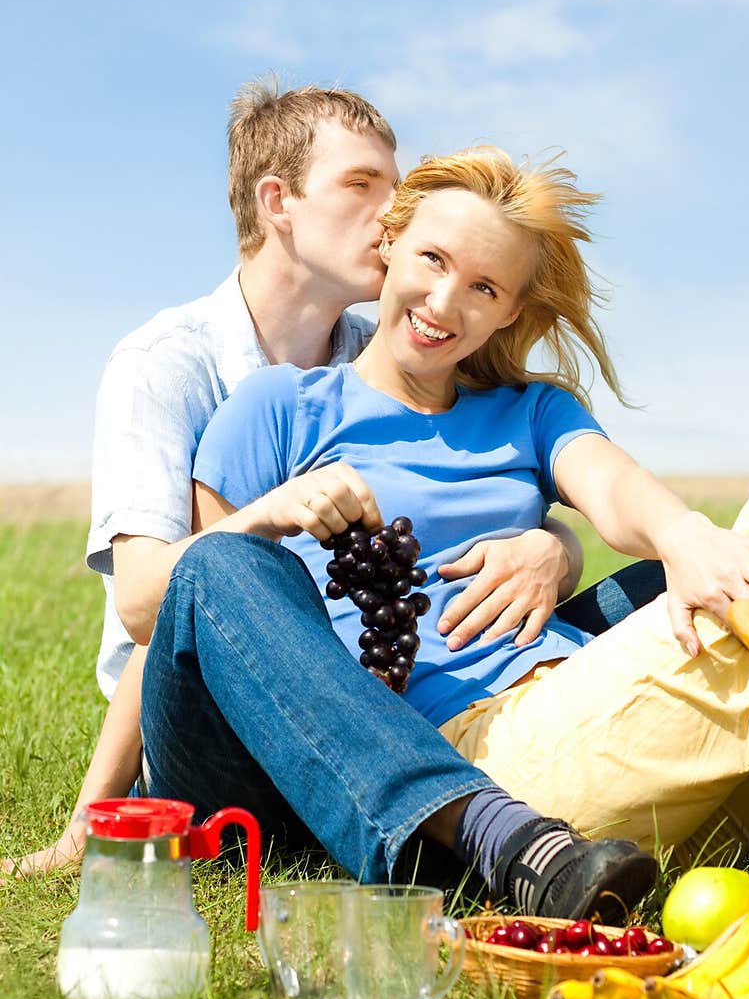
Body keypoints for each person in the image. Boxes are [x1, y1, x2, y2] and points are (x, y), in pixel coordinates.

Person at [133, 145, 749, 916]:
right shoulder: (279, 405)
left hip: (559, 708)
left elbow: (608, 486)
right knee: (224, 562)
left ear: (511, 308)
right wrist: (270, 513)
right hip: (405, 761)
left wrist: (672, 536)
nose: (446, 303)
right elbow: (175, 610)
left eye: (483, 286)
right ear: (390, 246)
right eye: (433, 260)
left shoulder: (529, 412)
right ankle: (490, 831)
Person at [2, 82, 665, 880]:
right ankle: (494, 833)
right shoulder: (172, 366)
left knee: (660, 584)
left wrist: (553, 545)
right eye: (363, 186)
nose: (392, 215)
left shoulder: (396, 343)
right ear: (278, 202)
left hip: (406, 678)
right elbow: (156, 604)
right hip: (219, 719)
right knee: (226, 565)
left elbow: (502, 463)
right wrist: (88, 827)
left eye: (398, 193)